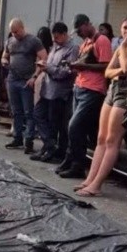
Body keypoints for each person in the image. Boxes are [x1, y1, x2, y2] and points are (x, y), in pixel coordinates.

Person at [75, 15, 127, 196]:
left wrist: (122, 49)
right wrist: (120, 70)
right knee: (101, 138)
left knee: (112, 140)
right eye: (124, 28)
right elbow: (108, 71)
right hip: (113, 90)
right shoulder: (123, 47)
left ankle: (97, 185)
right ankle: (89, 180)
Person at [57, 14, 113, 179]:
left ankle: (78, 165)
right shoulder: (85, 43)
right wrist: (73, 66)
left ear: (88, 24)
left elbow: (106, 66)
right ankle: (72, 160)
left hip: (93, 90)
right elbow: (83, 65)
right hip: (80, 87)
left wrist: (83, 65)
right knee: (77, 128)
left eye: (80, 29)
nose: (79, 33)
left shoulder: (102, 40)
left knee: (75, 126)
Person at [30, 22, 78, 163]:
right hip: (47, 90)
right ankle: (49, 144)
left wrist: (48, 68)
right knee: (37, 114)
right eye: (54, 37)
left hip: (59, 92)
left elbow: (65, 72)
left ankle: (52, 150)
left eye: (57, 37)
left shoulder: (72, 49)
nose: (55, 40)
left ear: (64, 34)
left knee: (54, 123)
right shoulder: (55, 47)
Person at [2, 18, 48, 153]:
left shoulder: (33, 41)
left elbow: (43, 58)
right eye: (12, 32)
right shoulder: (10, 41)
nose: (14, 34)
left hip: (26, 80)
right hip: (12, 79)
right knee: (16, 111)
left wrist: (35, 76)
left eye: (16, 31)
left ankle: (29, 140)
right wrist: (4, 60)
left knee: (29, 112)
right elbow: (4, 56)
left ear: (22, 28)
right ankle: (17, 138)